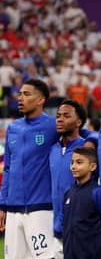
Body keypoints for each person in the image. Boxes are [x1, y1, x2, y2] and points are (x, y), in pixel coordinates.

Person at [0, 79, 59, 259]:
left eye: (27, 94)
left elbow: (80, 137)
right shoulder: (13, 128)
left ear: (41, 100)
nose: (20, 98)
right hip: (13, 208)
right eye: (19, 94)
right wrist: (2, 204)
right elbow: (8, 168)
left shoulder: (53, 126)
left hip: (41, 208)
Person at [61, 147, 101, 259]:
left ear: (92, 166)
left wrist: (91, 236)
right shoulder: (68, 192)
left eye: (79, 162)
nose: (73, 166)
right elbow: (64, 220)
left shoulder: (99, 193)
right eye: (72, 162)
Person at [49, 100, 87, 244]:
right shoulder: (53, 149)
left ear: (78, 122)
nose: (60, 119)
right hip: (56, 225)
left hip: (81, 224)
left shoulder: (87, 147)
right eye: (58, 115)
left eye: (66, 116)